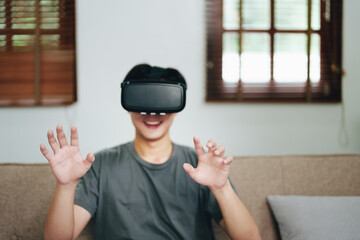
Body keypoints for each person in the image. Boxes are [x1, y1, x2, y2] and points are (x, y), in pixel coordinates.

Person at [40, 64, 261, 240]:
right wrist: (66, 185)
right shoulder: (99, 165)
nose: (152, 113)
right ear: (127, 102)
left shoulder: (201, 166)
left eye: (162, 101)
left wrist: (221, 188)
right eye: (143, 99)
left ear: (177, 104)